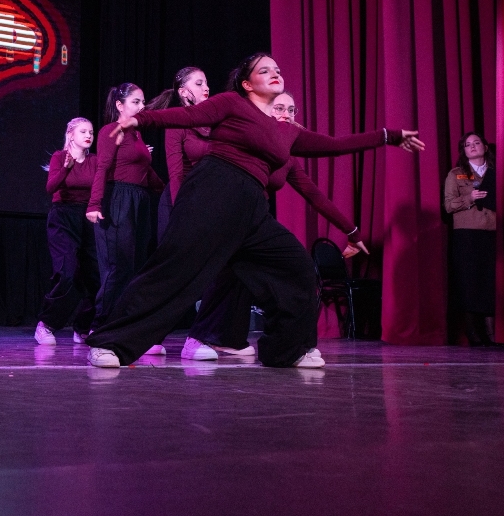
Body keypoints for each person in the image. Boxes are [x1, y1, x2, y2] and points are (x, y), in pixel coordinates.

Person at [85, 52, 424, 369]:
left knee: (297, 268)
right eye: (264, 70)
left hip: (252, 208)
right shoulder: (232, 103)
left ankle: (286, 350)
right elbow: (188, 116)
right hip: (214, 192)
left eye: (277, 70)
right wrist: (138, 119)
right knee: (174, 272)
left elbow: (334, 146)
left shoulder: (286, 132)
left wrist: (388, 136)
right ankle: (109, 343)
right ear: (247, 83)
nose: (275, 73)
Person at [181, 92, 369, 361]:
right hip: (224, 212)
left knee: (277, 273)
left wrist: (352, 232)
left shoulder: (285, 157)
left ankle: (264, 342)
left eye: (291, 110)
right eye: (279, 108)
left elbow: (315, 196)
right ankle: (197, 339)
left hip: (255, 221)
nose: (286, 114)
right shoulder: (248, 140)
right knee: (230, 275)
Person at [86, 83, 165, 350]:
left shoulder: (137, 135)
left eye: (143, 102)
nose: (142, 107)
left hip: (139, 202)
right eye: (136, 102)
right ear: (120, 105)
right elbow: (102, 168)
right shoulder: (111, 131)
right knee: (118, 267)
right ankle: (100, 326)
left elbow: (146, 173)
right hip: (118, 199)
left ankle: (128, 328)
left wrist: (170, 192)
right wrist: (94, 203)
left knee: (136, 268)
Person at [34, 118, 100, 345]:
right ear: (71, 134)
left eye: (91, 132)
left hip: (88, 218)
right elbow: (50, 187)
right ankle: (46, 324)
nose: (89, 135)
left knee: (95, 277)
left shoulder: (94, 160)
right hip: (63, 217)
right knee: (67, 273)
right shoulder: (59, 157)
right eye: (83, 131)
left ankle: (83, 326)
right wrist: (66, 168)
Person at [444, 131, 497, 346]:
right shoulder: (456, 174)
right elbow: (448, 206)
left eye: (476, 142)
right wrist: (470, 197)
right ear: (464, 151)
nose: (472, 146)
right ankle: (474, 334)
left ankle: (492, 335)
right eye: (467, 144)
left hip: (492, 232)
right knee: (470, 282)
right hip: (467, 234)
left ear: (485, 147)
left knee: (489, 282)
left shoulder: (495, 172)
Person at [145, 67, 211, 240]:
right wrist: (180, 211)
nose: (206, 88)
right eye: (199, 84)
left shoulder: (214, 120)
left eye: (206, 83)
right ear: (183, 92)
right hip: (182, 197)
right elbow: (176, 174)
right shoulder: (176, 124)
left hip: (208, 195)